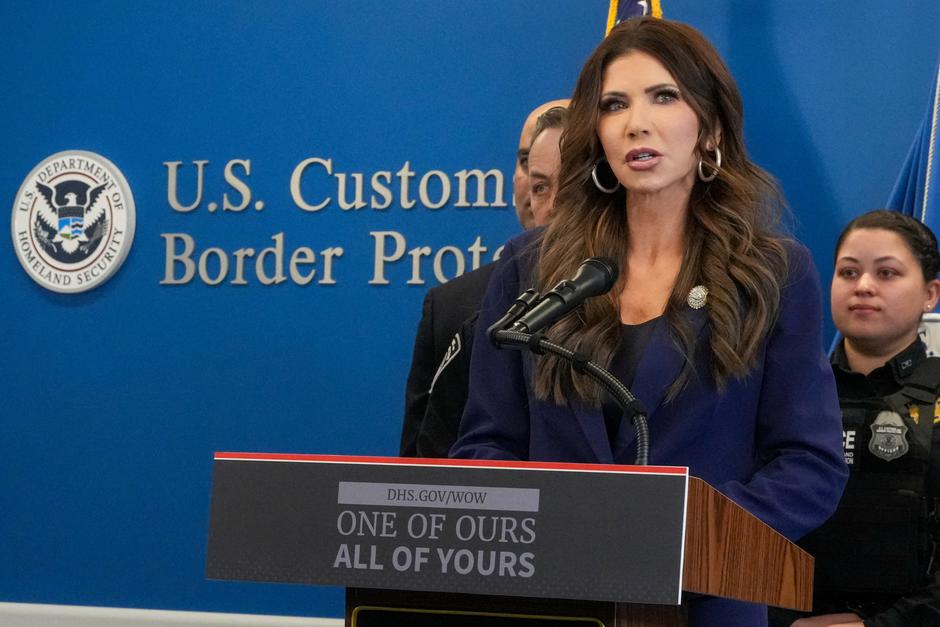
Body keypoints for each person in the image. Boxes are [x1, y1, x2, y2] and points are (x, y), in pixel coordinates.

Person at [449, 18, 847, 626]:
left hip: (706, 604)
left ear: (710, 126)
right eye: (614, 105)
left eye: (664, 96)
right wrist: (533, 525)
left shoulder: (773, 272)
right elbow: (487, 442)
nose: (638, 121)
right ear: (598, 132)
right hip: (554, 602)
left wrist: (694, 540)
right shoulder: (531, 268)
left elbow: (808, 461)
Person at [770, 210, 940, 627]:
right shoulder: (786, 393)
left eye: (886, 273)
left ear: (930, 294)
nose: (863, 286)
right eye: (848, 272)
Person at [400, 99, 568, 456]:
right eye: (527, 165)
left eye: (571, 177)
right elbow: (422, 470)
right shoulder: (454, 309)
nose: (554, 202)